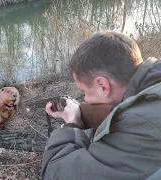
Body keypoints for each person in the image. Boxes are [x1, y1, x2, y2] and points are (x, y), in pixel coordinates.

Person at [41, 30, 161, 180]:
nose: (86, 99)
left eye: (84, 91)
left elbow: (55, 173)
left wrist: (72, 124)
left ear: (103, 86)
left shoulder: (142, 127)